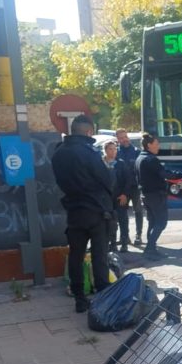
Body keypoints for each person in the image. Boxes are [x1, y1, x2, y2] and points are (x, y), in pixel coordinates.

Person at [52, 115, 114, 313]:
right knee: (99, 256)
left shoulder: (59, 153)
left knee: (76, 256)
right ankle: (103, 296)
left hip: (73, 210)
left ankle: (79, 298)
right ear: (89, 131)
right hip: (95, 210)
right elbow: (107, 180)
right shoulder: (90, 153)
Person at [137, 133, 172, 260]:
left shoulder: (140, 158)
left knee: (152, 222)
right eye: (156, 144)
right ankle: (150, 248)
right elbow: (165, 173)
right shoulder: (150, 159)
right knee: (161, 222)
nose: (158, 147)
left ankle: (151, 249)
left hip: (146, 195)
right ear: (149, 145)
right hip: (156, 195)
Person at [102, 140, 135, 253]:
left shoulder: (120, 163)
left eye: (115, 149)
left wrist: (125, 194)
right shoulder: (101, 163)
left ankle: (124, 243)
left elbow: (128, 180)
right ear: (105, 150)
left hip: (120, 197)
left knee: (123, 220)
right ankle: (112, 243)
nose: (113, 151)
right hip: (106, 199)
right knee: (110, 222)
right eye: (110, 149)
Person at [115, 128, 144, 246]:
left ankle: (138, 235)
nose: (124, 139)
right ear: (117, 139)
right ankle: (124, 237)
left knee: (138, 211)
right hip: (122, 189)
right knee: (122, 213)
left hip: (135, 187)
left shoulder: (136, 151)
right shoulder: (116, 152)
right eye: (121, 138)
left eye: (125, 136)